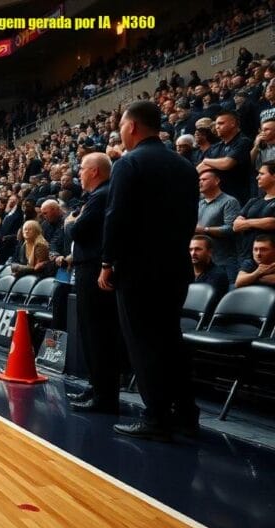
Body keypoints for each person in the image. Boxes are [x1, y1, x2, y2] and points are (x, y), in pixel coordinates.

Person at [100, 100, 200, 441]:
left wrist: (106, 261)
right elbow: (190, 219)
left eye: (121, 128)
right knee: (172, 339)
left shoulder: (130, 164)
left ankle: (156, 417)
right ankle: (187, 413)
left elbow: (117, 217)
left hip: (138, 270)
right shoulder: (185, 165)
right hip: (176, 267)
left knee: (143, 343)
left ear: (131, 127)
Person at [67, 152, 124, 413]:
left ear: (95, 172)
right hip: (88, 269)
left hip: (93, 271)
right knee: (90, 333)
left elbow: (77, 230)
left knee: (98, 333)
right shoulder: (97, 196)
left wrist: (71, 221)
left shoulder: (101, 196)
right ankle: (96, 386)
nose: (78, 172)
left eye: (82, 168)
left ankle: (105, 395)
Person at [197, 111, 253, 205]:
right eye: (216, 124)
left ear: (233, 124)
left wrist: (207, 161)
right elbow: (199, 169)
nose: (217, 127)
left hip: (237, 196)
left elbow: (227, 164)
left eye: (221, 123)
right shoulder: (216, 147)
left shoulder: (243, 142)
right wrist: (217, 164)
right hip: (215, 197)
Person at [196, 169, 241, 284]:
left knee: (227, 294)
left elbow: (232, 228)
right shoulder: (199, 203)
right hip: (203, 262)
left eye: (204, 179)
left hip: (225, 261)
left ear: (216, 181)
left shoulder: (229, 201)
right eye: (199, 180)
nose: (200, 182)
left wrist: (204, 230)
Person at [234, 161, 275, 263]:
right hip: (247, 256)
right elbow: (236, 226)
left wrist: (247, 222)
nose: (257, 177)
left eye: (262, 174)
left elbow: (272, 223)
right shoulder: (253, 201)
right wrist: (260, 222)